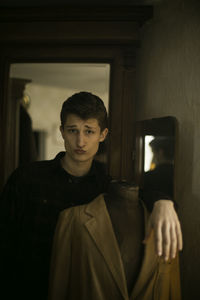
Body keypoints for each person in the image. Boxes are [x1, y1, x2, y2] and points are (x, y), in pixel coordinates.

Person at [0, 92, 182, 300]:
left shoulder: (106, 188)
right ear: (62, 132)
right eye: (72, 131)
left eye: (89, 131)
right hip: (25, 288)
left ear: (102, 135)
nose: (80, 141)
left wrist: (164, 202)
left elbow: (138, 194)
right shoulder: (26, 178)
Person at [48, 181, 181, 300]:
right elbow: (58, 290)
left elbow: (173, 291)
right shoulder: (72, 220)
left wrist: (164, 202)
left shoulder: (166, 223)